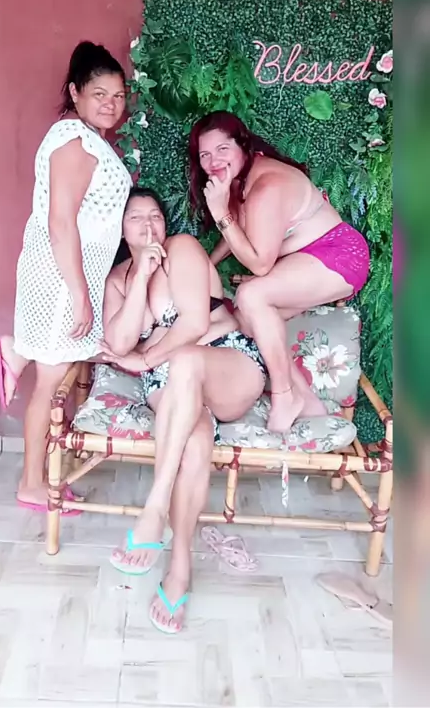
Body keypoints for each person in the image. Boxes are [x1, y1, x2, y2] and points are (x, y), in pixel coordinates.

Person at [99, 187, 273, 634]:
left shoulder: (183, 249)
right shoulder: (118, 280)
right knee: (193, 442)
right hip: (171, 386)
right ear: (120, 229)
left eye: (155, 215)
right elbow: (118, 342)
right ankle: (179, 570)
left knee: (187, 360)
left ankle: (154, 507)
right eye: (135, 217)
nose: (148, 224)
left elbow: (195, 323)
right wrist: (141, 275)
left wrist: (147, 357)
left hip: (227, 364)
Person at [0, 41, 132, 510]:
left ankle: (17, 351)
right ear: (74, 93)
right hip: (60, 279)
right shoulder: (74, 140)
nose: (111, 104)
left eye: (118, 95)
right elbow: (60, 222)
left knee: (63, 371)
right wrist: (78, 294)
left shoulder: (87, 139)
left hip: (71, 274)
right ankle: (31, 483)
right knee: (51, 385)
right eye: (99, 94)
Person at [188, 110, 370, 433]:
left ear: (243, 146)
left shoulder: (266, 186)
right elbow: (237, 232)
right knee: (247, 318)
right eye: (204, 155)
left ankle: (283, 395)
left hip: (341, 255)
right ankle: (306, 400)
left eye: (222, 149)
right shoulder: (241, 179)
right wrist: (206, 266)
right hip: (304, 259)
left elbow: (260, 263)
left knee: (251, 295)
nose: (213, 161)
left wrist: (219, 212)